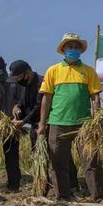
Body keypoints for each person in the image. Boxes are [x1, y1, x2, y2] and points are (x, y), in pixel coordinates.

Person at [37, 33, 103, 202]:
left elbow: (95, 97)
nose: (73, 50)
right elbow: (46, 98)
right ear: (63, 50)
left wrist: (95, 120)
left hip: (84, 124)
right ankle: (62, 197)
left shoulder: (88, 71)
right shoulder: (53, 70)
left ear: (80, 51)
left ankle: (98, 197)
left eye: (76, 47)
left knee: (91, 161)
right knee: (57, 162)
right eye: (70, 47)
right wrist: (42, 124)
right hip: (57, 122)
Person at [8, 60, 81, 197]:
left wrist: (23, 122)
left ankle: (73, 187)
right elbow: (22, 103)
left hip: (50, 125)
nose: (17, 81)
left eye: (18, 77)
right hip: (35, 127)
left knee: (60, 156)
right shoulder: (23, 86)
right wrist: (17, 108)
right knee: (39, 158)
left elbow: (38, 107)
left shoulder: (42, 82)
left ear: (27, 73)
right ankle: (42, 188)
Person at [0, 55, 21, 192]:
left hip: (12, 125)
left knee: (12, 155)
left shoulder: (13, 83)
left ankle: (14, 186)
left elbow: (19, 101)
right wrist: (4, 123)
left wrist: (17, 109)